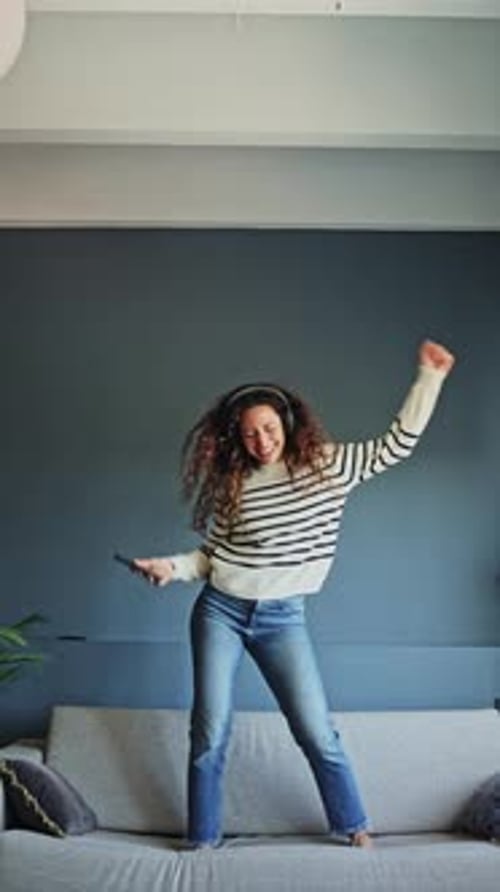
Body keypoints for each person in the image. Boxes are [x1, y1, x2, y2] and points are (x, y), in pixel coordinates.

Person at [132, 339, 455, 849]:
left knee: (315, 729)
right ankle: (202, 840)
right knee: (209, 731)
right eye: (249, 433)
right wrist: (170, 568)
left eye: (268, 428)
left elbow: (397, 444)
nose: (261, 441)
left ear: (286, 422)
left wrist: (429, 378)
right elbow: (211, 556)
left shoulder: (330, 465)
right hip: (220, 611)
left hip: (283, 618)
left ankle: (354, 825)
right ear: (237, 437)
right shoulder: (235, 482)